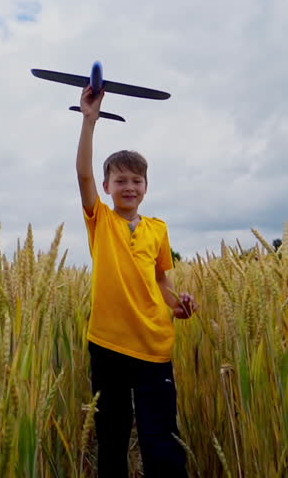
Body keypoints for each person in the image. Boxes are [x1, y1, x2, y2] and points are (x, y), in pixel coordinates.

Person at [76, 84, 198, 478]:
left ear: (146, 187)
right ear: (108, 187)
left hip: (153, 344)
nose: (129, 187)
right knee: (111, 434)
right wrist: (89, 120)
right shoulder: (101, 221)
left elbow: (161, 280)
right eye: (121, 181)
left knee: (160, 436)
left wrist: (177, 303)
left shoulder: (158, 229)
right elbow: (82, 174)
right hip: (108, 343)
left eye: (137, 181)